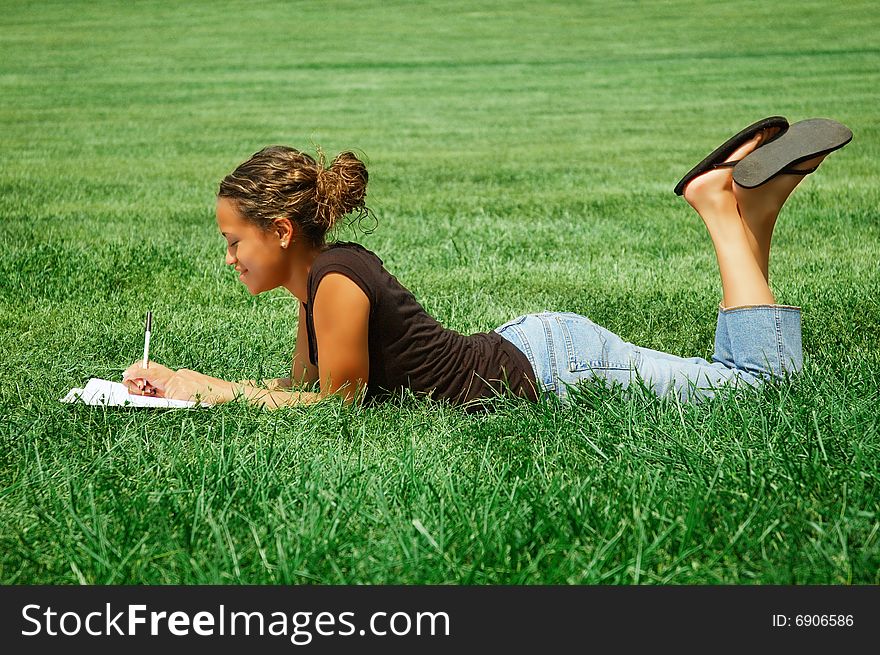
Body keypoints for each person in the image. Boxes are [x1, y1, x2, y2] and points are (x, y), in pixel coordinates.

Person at [122, 117, 852, 411]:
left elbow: (330, 411)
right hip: (533, 350)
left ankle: (723, 208)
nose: (228, 258)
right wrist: (183, 387)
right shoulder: (320, 283)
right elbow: (301, 388)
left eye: (233, 241)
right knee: (738, 386)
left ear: (279, 230)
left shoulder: (337, 282)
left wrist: (205, 388)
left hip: (561, 365)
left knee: (760, 392)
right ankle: (752, 212)